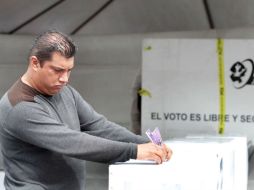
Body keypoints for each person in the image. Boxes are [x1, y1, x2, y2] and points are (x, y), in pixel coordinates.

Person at [0, 30, 172, 190]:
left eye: (69, 70)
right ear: (35, 63)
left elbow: (99, 126)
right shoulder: (20, 107)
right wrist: (134, 151)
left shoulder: (64, 90)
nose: (65, 78)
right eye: (58, 70)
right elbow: (74, 142)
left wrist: (143, 143)